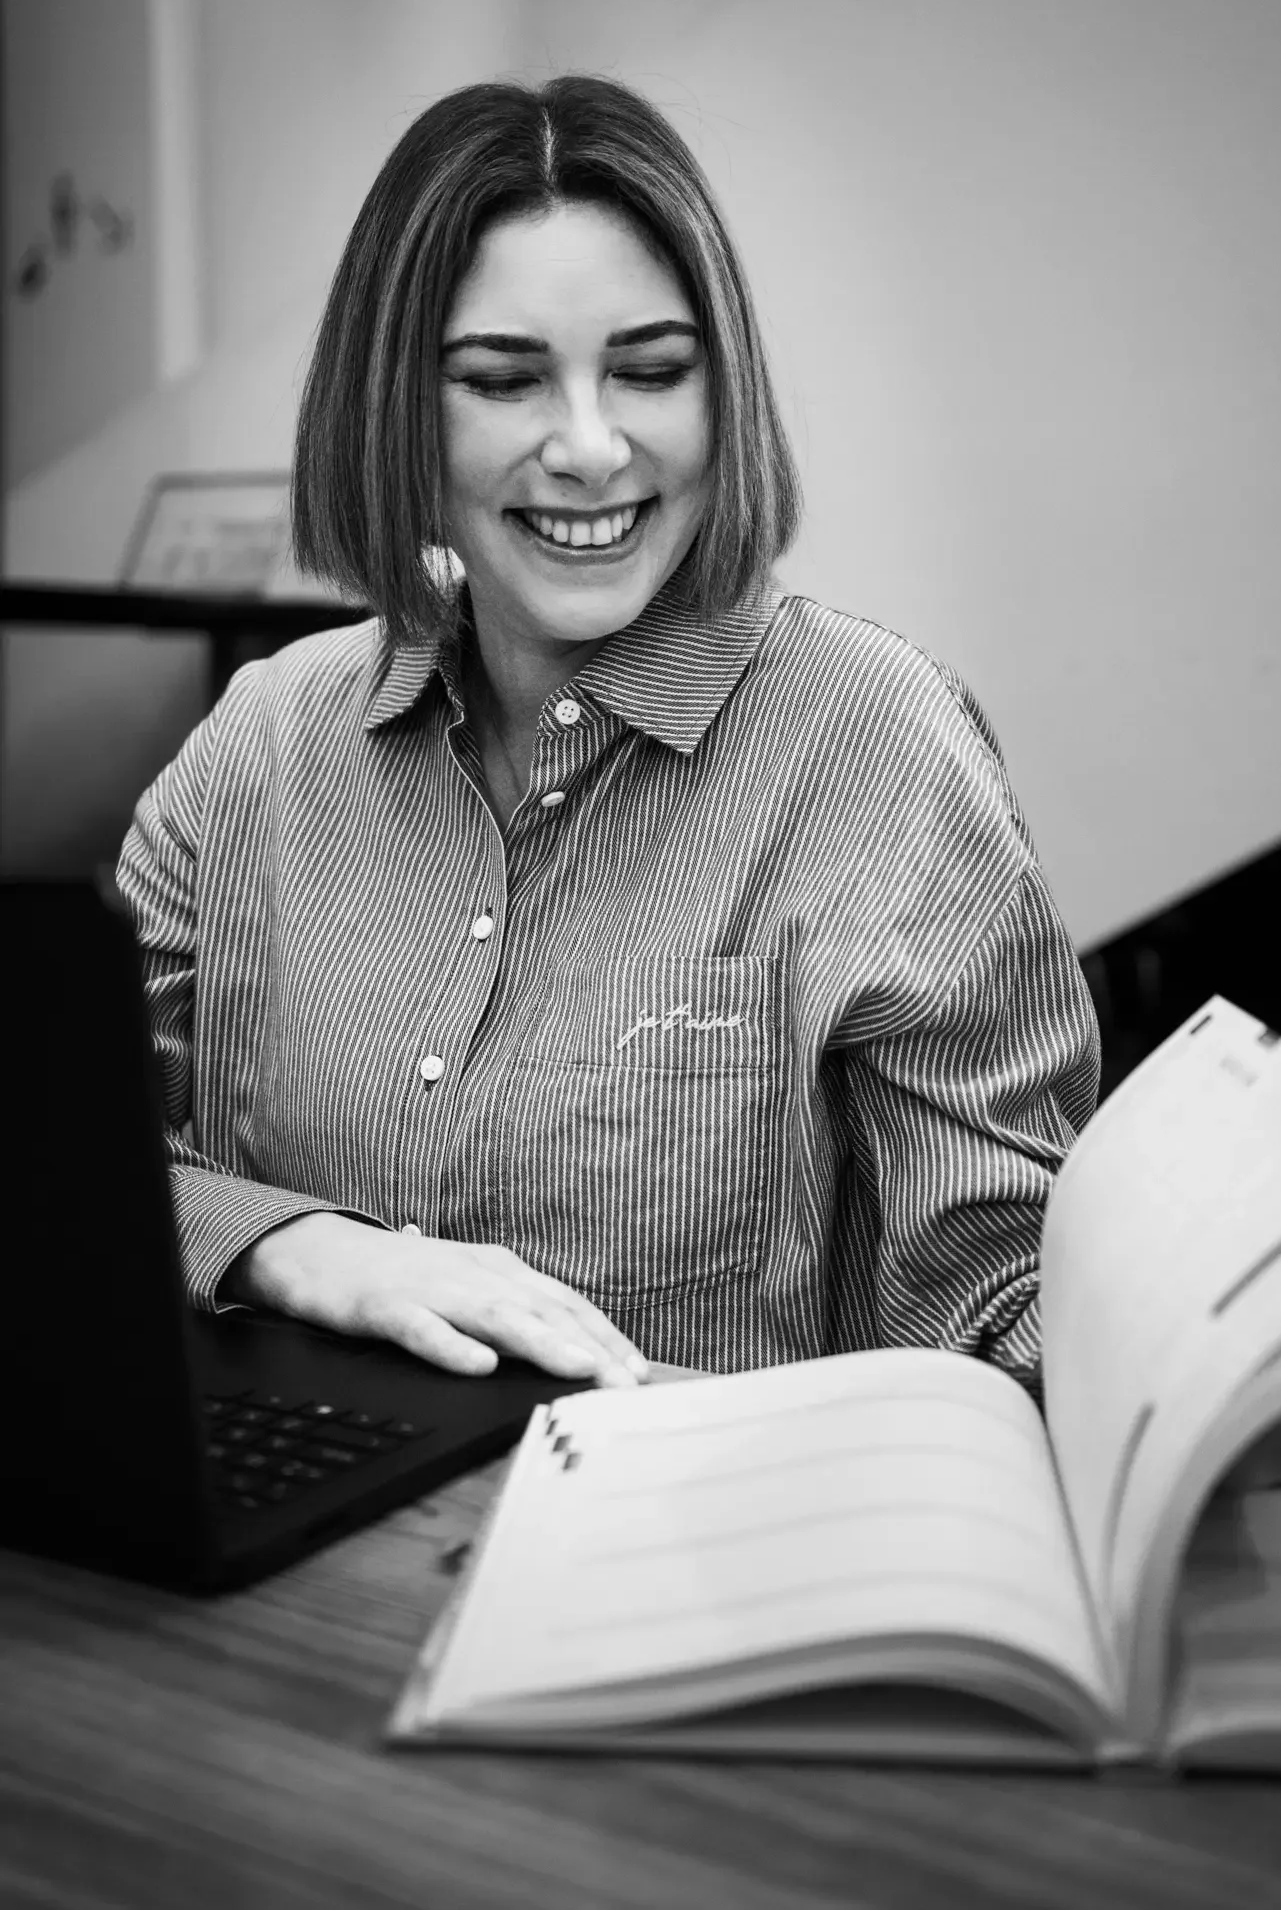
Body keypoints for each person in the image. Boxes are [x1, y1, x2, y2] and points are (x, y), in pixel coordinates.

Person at [117, 75, 1100, 1395]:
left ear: (722, 389)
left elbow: (1002, 1298)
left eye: (649, 370)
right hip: (294, 1580)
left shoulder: (881, 749)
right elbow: (55, 1163)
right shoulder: (259, 749)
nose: (590, 447)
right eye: (504, 380)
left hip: (708, 1569)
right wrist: (302, 1249)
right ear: (397, 406)